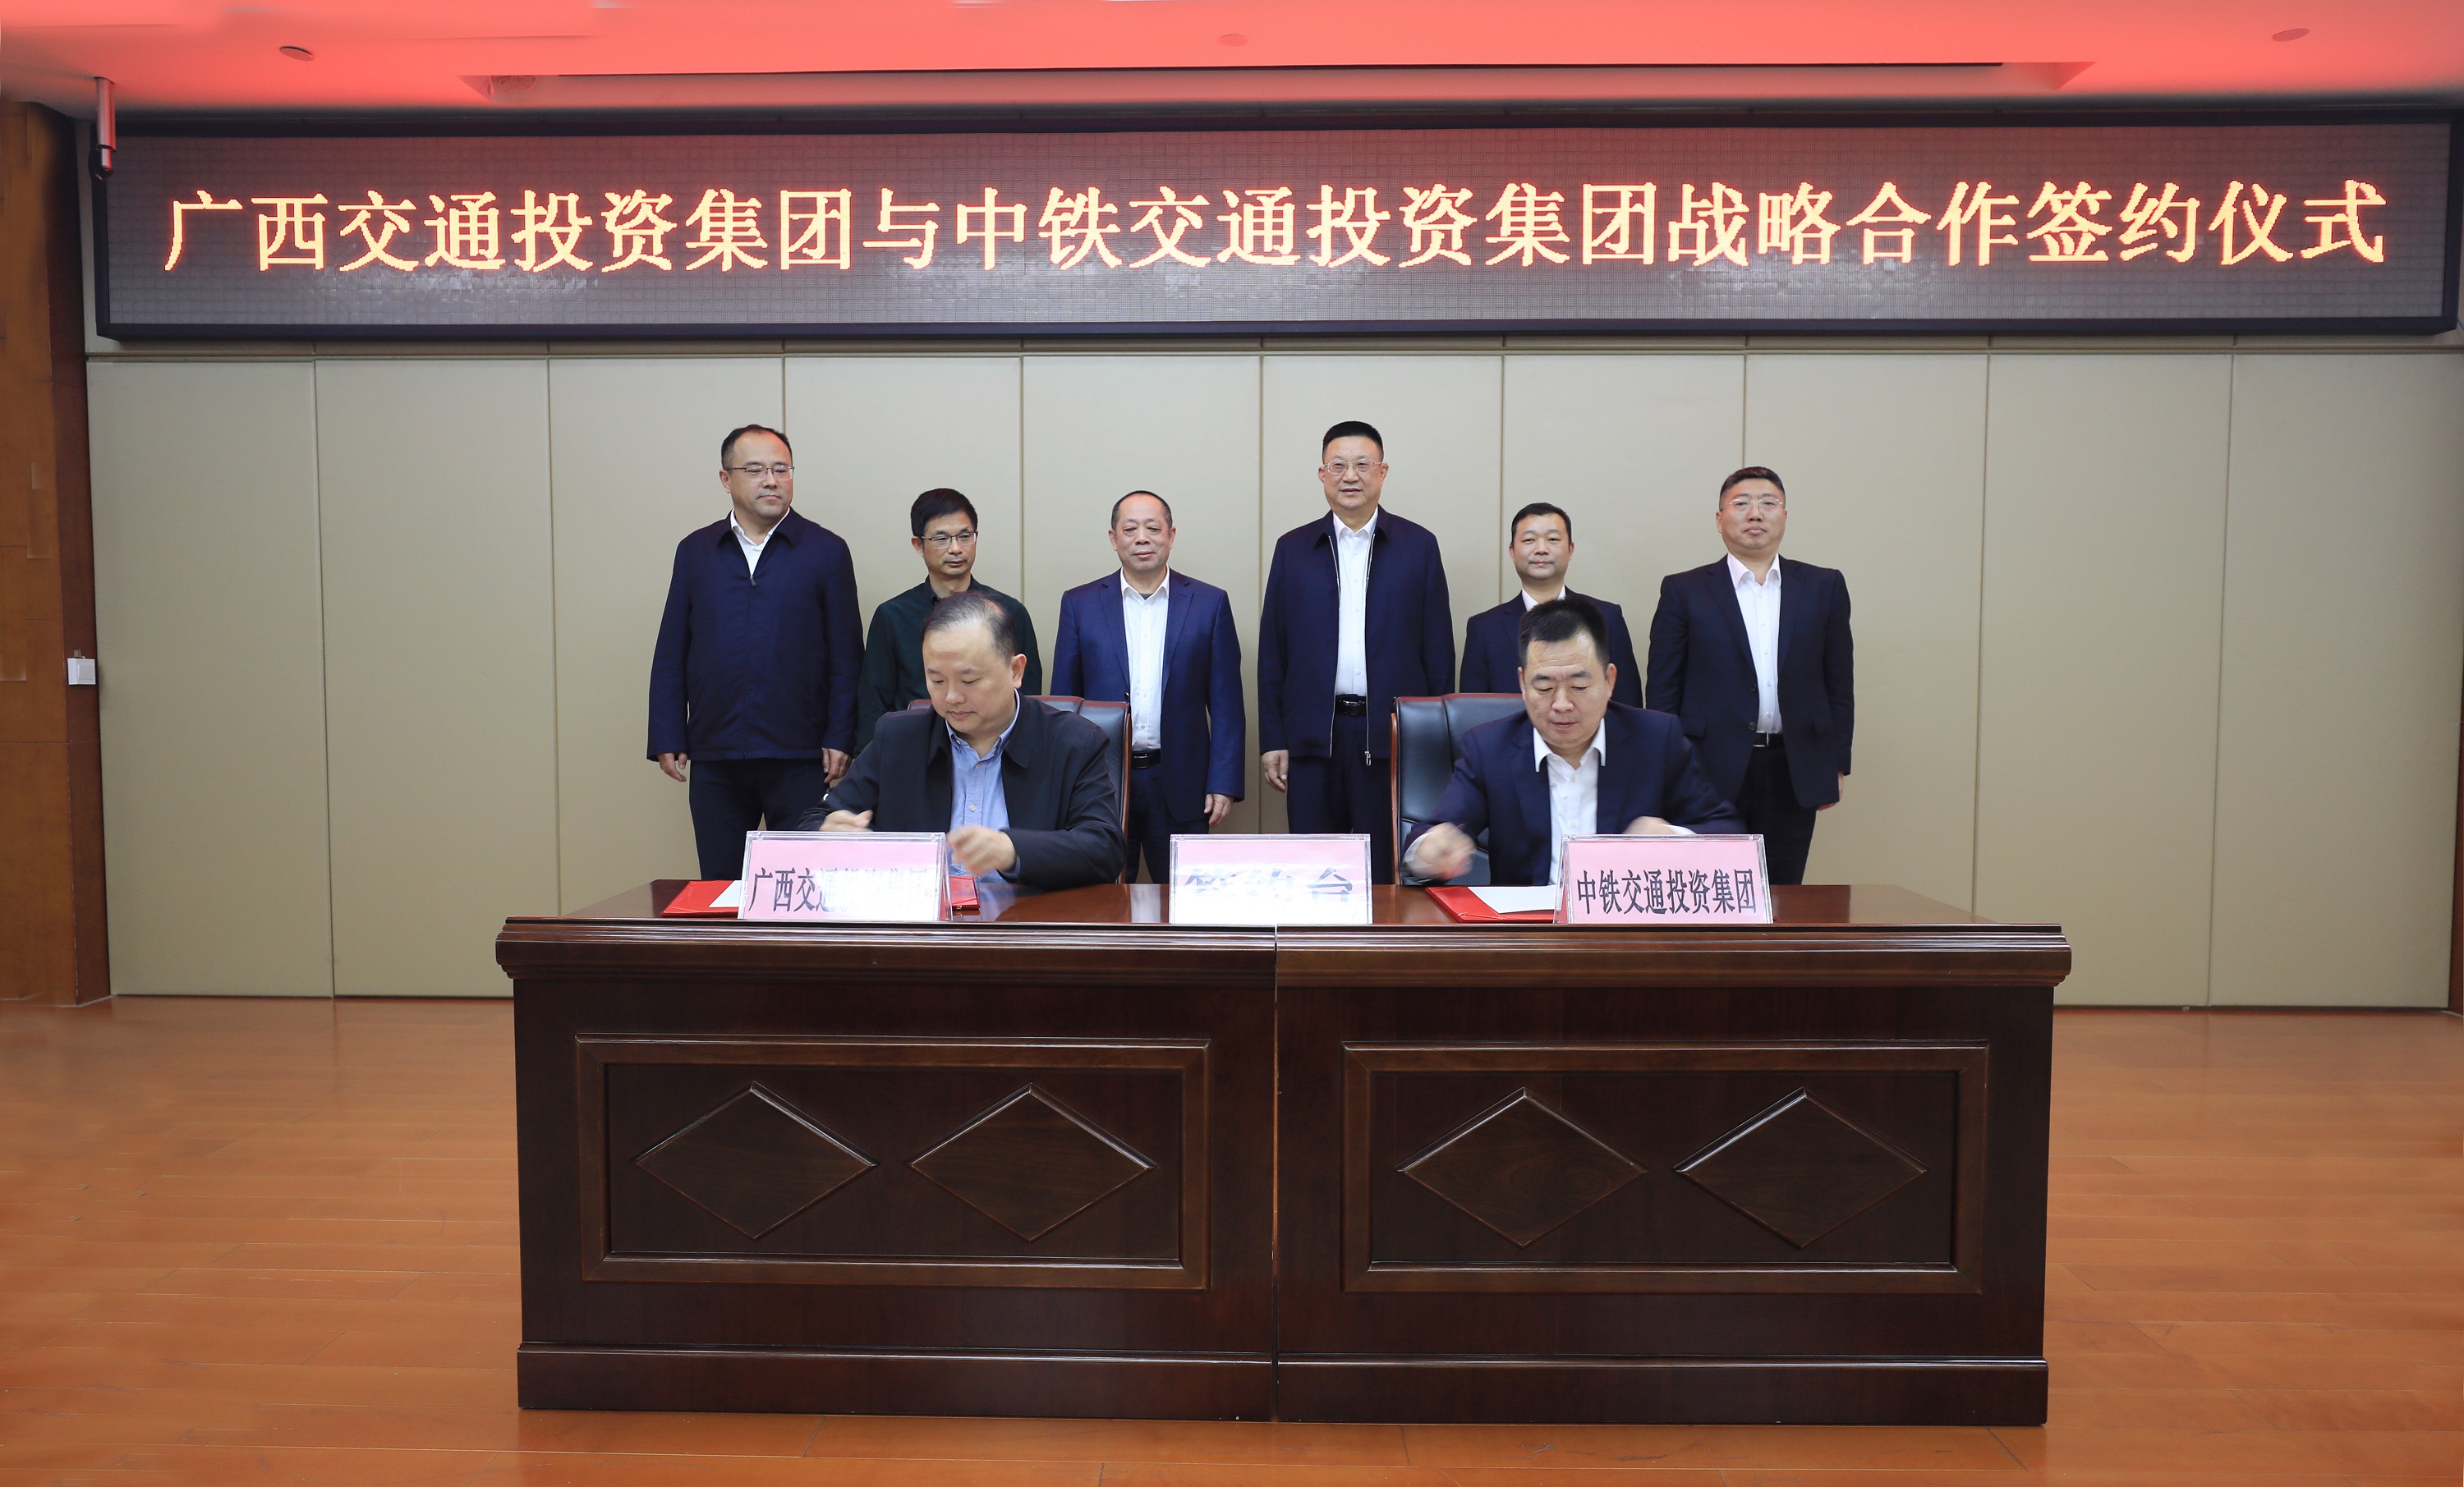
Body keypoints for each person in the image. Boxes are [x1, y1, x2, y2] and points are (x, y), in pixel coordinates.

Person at [648, 424, 862, 881]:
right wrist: (668, 732)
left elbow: (847, 657)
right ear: (726, 479)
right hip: (716, 751)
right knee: (721, 889)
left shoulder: (825, 551)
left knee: (803, 889)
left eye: (781, 469)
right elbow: (672, 648)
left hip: (801, 754)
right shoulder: (696, 551)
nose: (771, 480)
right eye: (755, 470)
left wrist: (841, 736)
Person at [1404, 597, 1740, 887]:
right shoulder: (1489, 749)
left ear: (1609, 681)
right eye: (1544, 687)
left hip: (1626, 927)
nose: (1562, 704)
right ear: (1523, 684)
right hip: (1528, 932)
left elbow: (1728, 832)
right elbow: (1433, 834)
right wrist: (1431, 851)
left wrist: (1675, 838)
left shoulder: (1657, 740)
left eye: (1579, 686)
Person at [806, 590, 1124, 891]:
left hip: (1027, 923)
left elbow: (1104, 848)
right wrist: (827, 832)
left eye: (969, 680)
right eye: (937, 680)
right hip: (923, 923)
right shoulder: (898, 740)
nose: (952, 697)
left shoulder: (1074, 741)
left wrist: (1013, 849)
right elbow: (812, 821)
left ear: (1016, 670)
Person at [1257, 420, 1453, 884]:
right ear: (1322, 474)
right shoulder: (1293, 549)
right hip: (1313, 739)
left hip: (1390, 738)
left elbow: (1438, 654)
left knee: (1387, 873)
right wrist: (1274, 738)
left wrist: (1429, 739)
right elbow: (1273, 654)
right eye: (1338, 465)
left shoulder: (1418, 547)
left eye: (1362, 465)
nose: (1350, 476)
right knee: (1312, 872)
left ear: (1382, 472)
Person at [1645, 466, 1853, 887]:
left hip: (1793, 764)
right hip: (1707, 766)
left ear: (1785, 516)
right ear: (1719, 519)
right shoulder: (1684, 590)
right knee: (1711, 889)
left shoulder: (1823, 586)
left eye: (1768, 503)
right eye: (1741, 503)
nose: (1755, 513)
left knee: (1782, 891)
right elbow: (1664, 689)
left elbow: (1838, 682)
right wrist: (1665, 766)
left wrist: (1836, 761)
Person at [1049, 491, 1245, 883]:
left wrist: (1223, 782)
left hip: (1181, 780)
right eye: (1130, 529)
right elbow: (1063, 705)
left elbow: (1227, 704)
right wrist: (1063, 782)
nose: (1142, 538)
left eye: (1153, 528)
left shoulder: (1209, 604)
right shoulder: (1079, 604)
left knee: (1182, 897)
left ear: (1171, 535)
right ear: (1113, 538)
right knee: (1100, 897)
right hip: (1100, 780)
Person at [856, 488, 1042, 750]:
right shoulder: (893, 616)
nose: (956, 549)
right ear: (918, 545)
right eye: (941, 539)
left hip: (996, 749)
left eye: (965, 537)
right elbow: (872, 704)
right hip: (915, 749)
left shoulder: (1009, 612)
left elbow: (1029, 697)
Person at [1458, 502, 1642, 705]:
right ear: (1512, 552)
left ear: (1570, 549)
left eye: (1553, 539)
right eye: (1529, 540)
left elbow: (1628, 708)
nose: (1541, 549)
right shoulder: (1484, 629)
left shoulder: (1607, 619)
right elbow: (1472, 712)